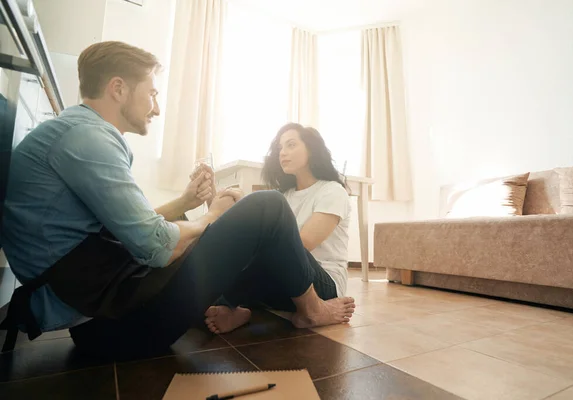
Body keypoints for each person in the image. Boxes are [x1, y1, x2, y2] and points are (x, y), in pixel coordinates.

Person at [0, 41, 354, 358]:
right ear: (119, 89)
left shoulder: (70, 133)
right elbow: (155, 245)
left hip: (101, 318)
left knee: (252, 221)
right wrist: (212, 215)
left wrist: (186, 202)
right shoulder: (87, 139)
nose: (155, 108)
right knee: (268, 207)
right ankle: (311, 311)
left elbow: (127, 228)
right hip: (119, 324)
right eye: (151, 93)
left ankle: (254, 307)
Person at [204, 123, 351, 334]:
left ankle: (233, 303)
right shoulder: (286, 195)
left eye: (291, 145)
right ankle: (238, 308)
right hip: (284, 284)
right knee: (243, 245)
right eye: (280, 148)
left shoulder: (333, 191)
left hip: (322, 286)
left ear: (311, 149)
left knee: (268, 230)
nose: (283, 153)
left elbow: (302, 244)